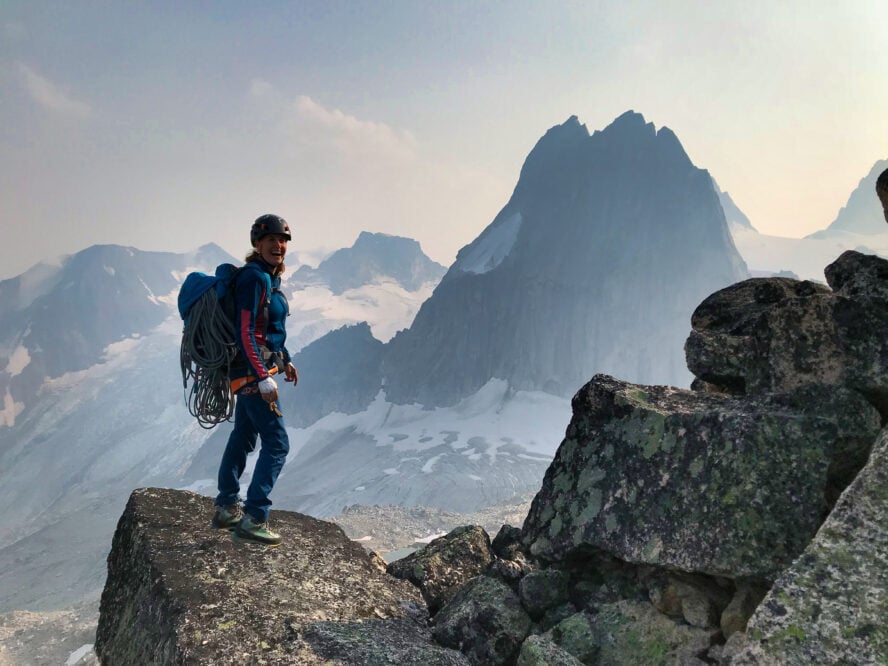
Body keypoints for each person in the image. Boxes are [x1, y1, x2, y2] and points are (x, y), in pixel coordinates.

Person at [211, 214, 298, 546]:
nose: (279, 245)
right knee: (277, 443)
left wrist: (285, 361)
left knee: (244, 437)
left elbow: (267, 332)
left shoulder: (268, 279)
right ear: (257, 244)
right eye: (272, 240)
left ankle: (225, 506)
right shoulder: (255, 279)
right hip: (250, 373)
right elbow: (245, 331)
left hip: (252, 370)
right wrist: (262, 377)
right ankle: (254, 516)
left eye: (284, 240)